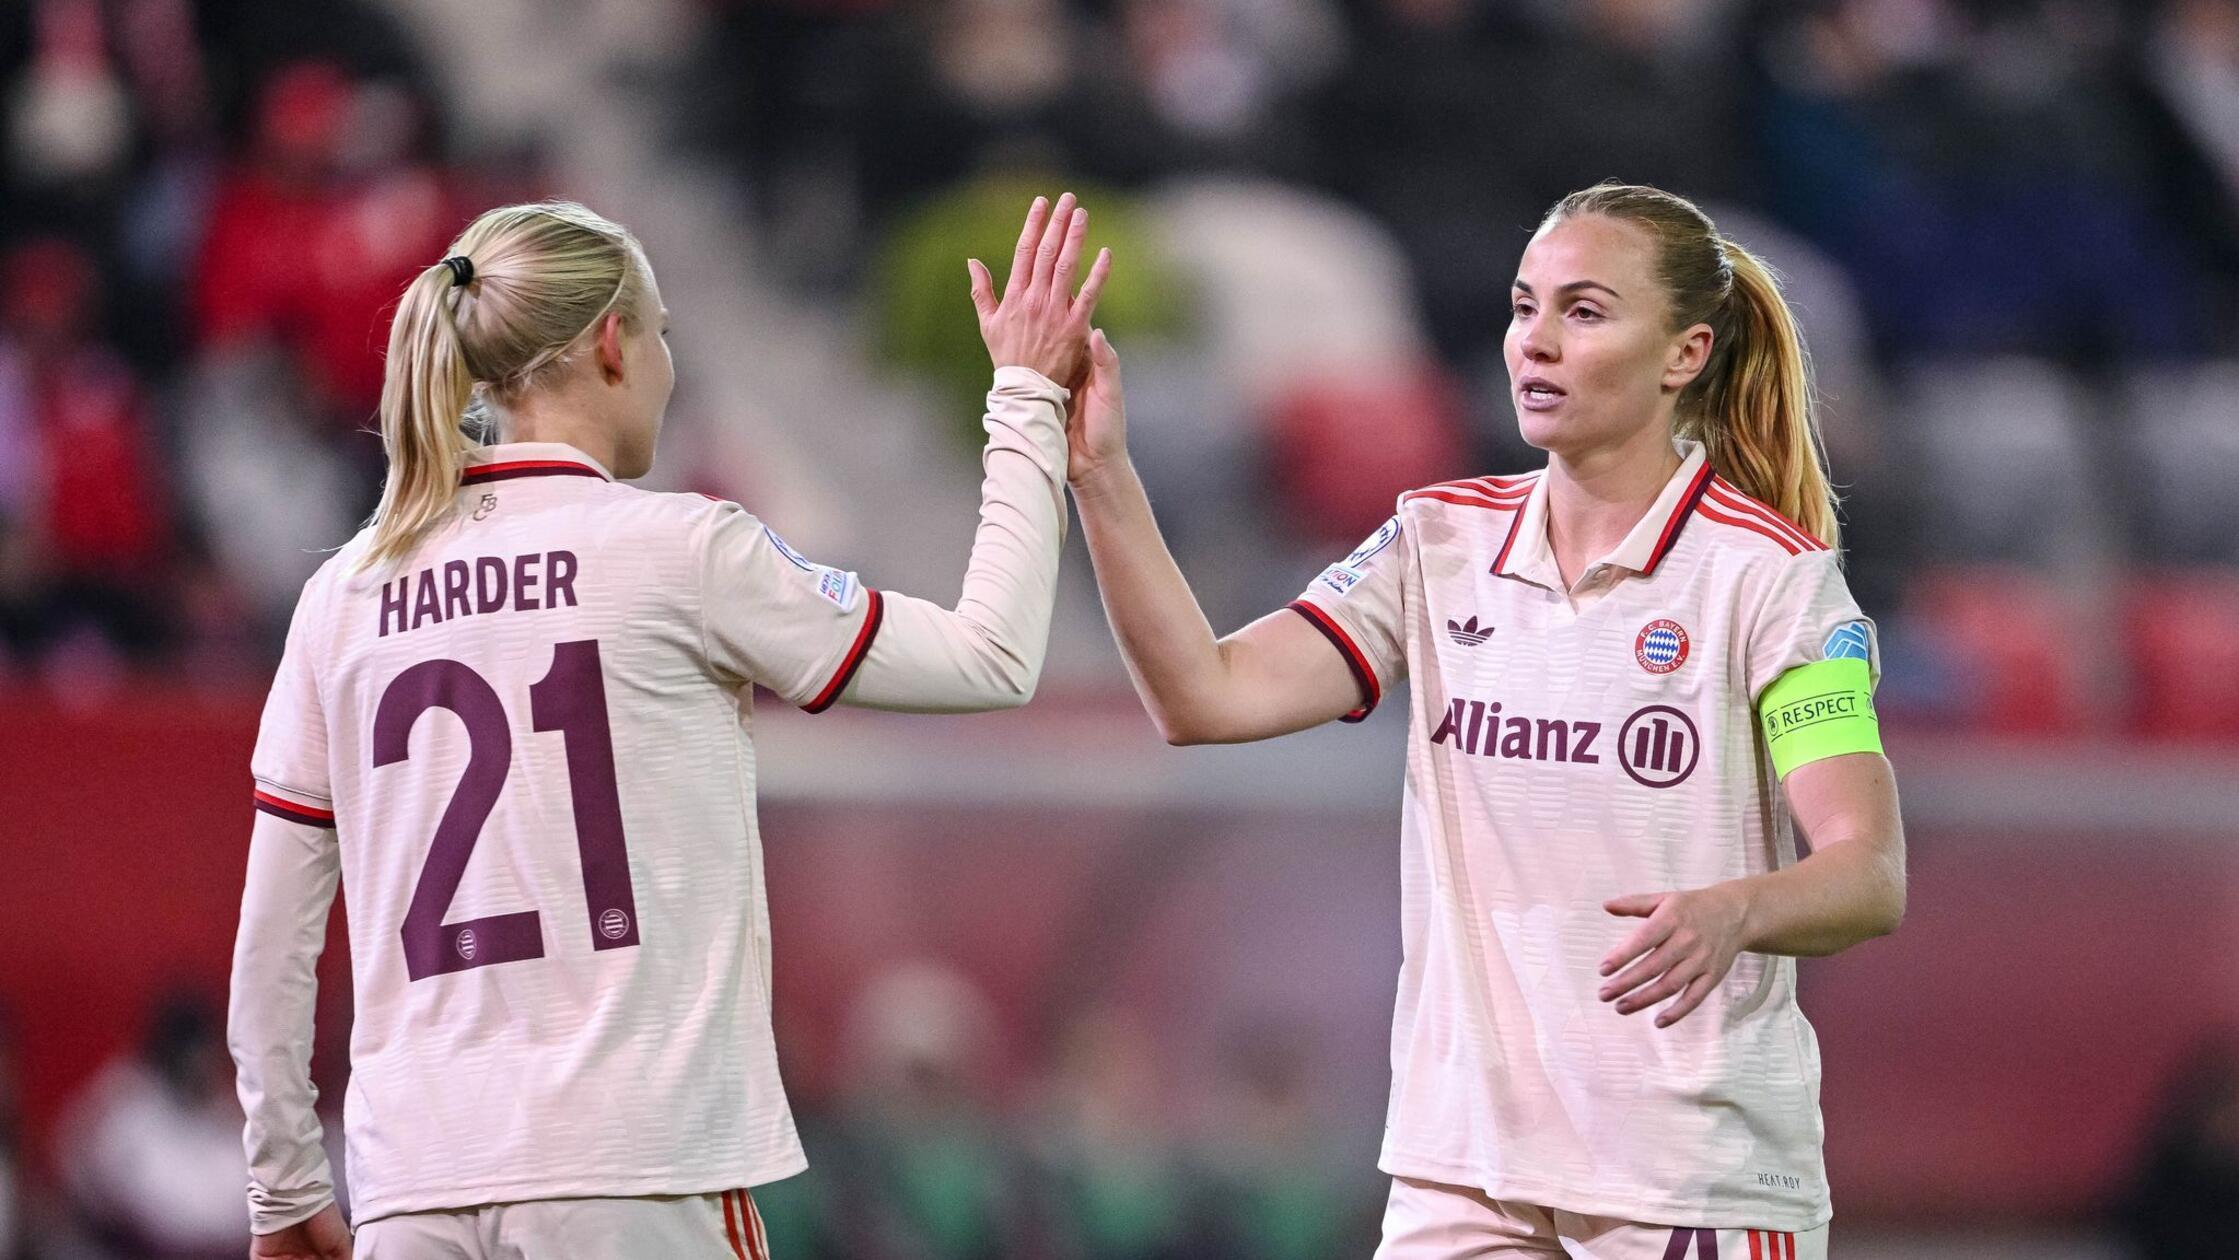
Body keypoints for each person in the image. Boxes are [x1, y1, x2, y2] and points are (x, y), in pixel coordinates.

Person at [228, 193, 1110, 1260]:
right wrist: (1024, 396)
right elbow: (992, 656)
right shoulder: (683, 551)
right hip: (633, 1167)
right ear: (612, 343)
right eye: (661, 335)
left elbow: (273, 938)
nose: (667, 367)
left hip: (412, 1182)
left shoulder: (341, 596)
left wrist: (283, 1183)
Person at [1065, 182, 1906, 1259]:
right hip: (1462, 1172)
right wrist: (1100, 473)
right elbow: (1206, 695)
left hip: (1685, 1176)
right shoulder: (1436, 543)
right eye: (1523, 307)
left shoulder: (1767, 579)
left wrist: (1734, 910)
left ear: (1684, 354)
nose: (1534, 342)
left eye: (1583, 312)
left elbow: (1866, 872)